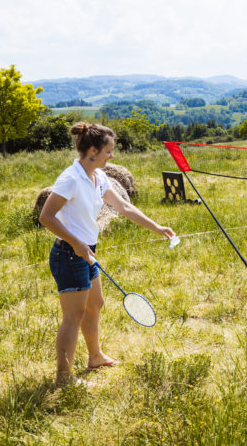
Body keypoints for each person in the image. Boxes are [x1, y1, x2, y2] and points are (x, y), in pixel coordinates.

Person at [39, 122, 175, 386]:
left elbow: (124, 207)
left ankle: (95, 357)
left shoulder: (98, 177)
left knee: (95, 304)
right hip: (69, 253)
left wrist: (157, 227)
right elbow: (46, 216)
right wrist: (76, 243)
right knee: (73, 316)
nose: (112, 156)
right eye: (108, 151)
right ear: (93, 151)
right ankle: (64, 377)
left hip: (86, 251)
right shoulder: (71, 179)